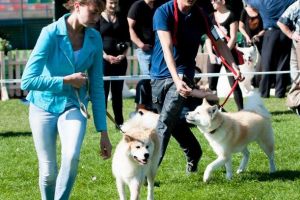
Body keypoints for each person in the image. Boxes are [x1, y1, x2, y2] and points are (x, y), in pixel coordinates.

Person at [20, 0, 112, 199]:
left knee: (71, 157)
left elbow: (96, 87)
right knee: (48, 172)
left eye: (100, 14)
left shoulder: (95, 38)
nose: (97, 19)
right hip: (42, 106)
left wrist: (103, 132)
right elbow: (27, 81)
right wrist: (66, 81)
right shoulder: (49, 33)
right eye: (94, 12)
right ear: (78, 5)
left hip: (73, 105)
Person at [150, 0, 242, 173]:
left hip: (183, 75)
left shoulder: (201, 16)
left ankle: (149, 173)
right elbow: (166, 47)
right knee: (173, 121)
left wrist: (234, 67)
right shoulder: (163, 12)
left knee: (164, 122)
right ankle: (194, 151)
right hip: (158, 76)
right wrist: (174, 78)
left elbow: (219, 43)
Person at [245, 0, 296, 98]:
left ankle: (264, 92)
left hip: (270, 33)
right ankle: (280, 92)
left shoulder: (264, 2)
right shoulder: (285, 1)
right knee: (283, 64)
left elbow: (250, 1)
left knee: (267, 64)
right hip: (285, 33)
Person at [95, 0, 130, 127]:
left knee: (117, 93)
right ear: (105, 3)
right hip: (103, 60)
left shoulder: (122, 19)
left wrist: (122, 55)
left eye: (115, 3)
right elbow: (95, 40)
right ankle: (101, 123)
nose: (113, 5)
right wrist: (105, 56)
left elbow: (127, 40)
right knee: (102, 92)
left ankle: (119, 122)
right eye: (111, 3)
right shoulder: (97, 18)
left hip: (120, 61)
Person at [205, 0, 244, 111]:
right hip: (213, 54)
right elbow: (208, 37)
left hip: (228, 53)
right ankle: (214, 110)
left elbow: (233, 37)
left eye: (214, 0)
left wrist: (224, 53)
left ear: (222, 1)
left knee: (234, 84)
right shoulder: (210, 16)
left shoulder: (231, 16)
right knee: (212, 85)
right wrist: (211, 54)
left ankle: (241, 111)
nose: (211, 2)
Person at [277, 0, 300, 81]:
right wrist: (291, 34)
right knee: (296, 69)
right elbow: (281, 22)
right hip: (299, 40)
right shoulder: (297, 5)